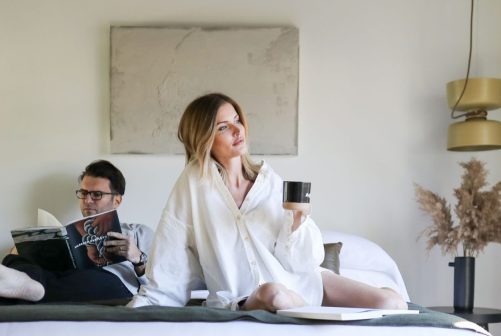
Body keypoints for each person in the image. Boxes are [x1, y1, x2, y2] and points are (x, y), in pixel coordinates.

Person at [130, 93, 406, 312]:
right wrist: (139, 308)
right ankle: (314, 312)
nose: (238, 130)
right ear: (204, 138)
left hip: (303, 283)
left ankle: (311, 309)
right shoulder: (192, 185)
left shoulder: (267, 180)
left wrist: (297, 224)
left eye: (237, 120)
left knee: (392, 302)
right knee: (273, 294)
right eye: (224, 127)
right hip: (251, 296)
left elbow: (303, 260)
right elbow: (171, 255)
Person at [0, 160, 153, 306]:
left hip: (109, 280)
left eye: (96, 194)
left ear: (117, 200)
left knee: (84, 281)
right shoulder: (65, 231)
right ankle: (13, 283)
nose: (87, 200)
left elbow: (161, 284)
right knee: (14, 258)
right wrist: (23, 251)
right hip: (61, 275)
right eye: (84, 193)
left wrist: (138, 258)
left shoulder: (138, 232)